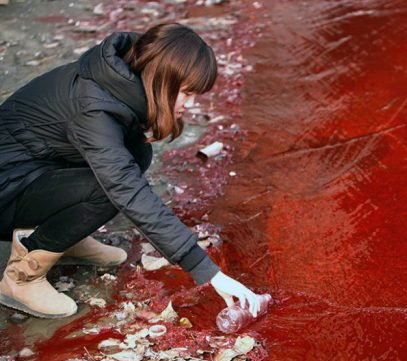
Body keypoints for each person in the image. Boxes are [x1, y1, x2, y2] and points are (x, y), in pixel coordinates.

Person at [0, 23, 261, 319]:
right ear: (160, 78)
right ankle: (21, 278)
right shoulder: (95, 109)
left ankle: (63, 238)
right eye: (186, 93)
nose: (189, 105)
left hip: (33, 168)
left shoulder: (120, 77)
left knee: (137, 153)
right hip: (6, 189)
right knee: (110, 186)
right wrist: (206, 270)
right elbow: (127, 189)